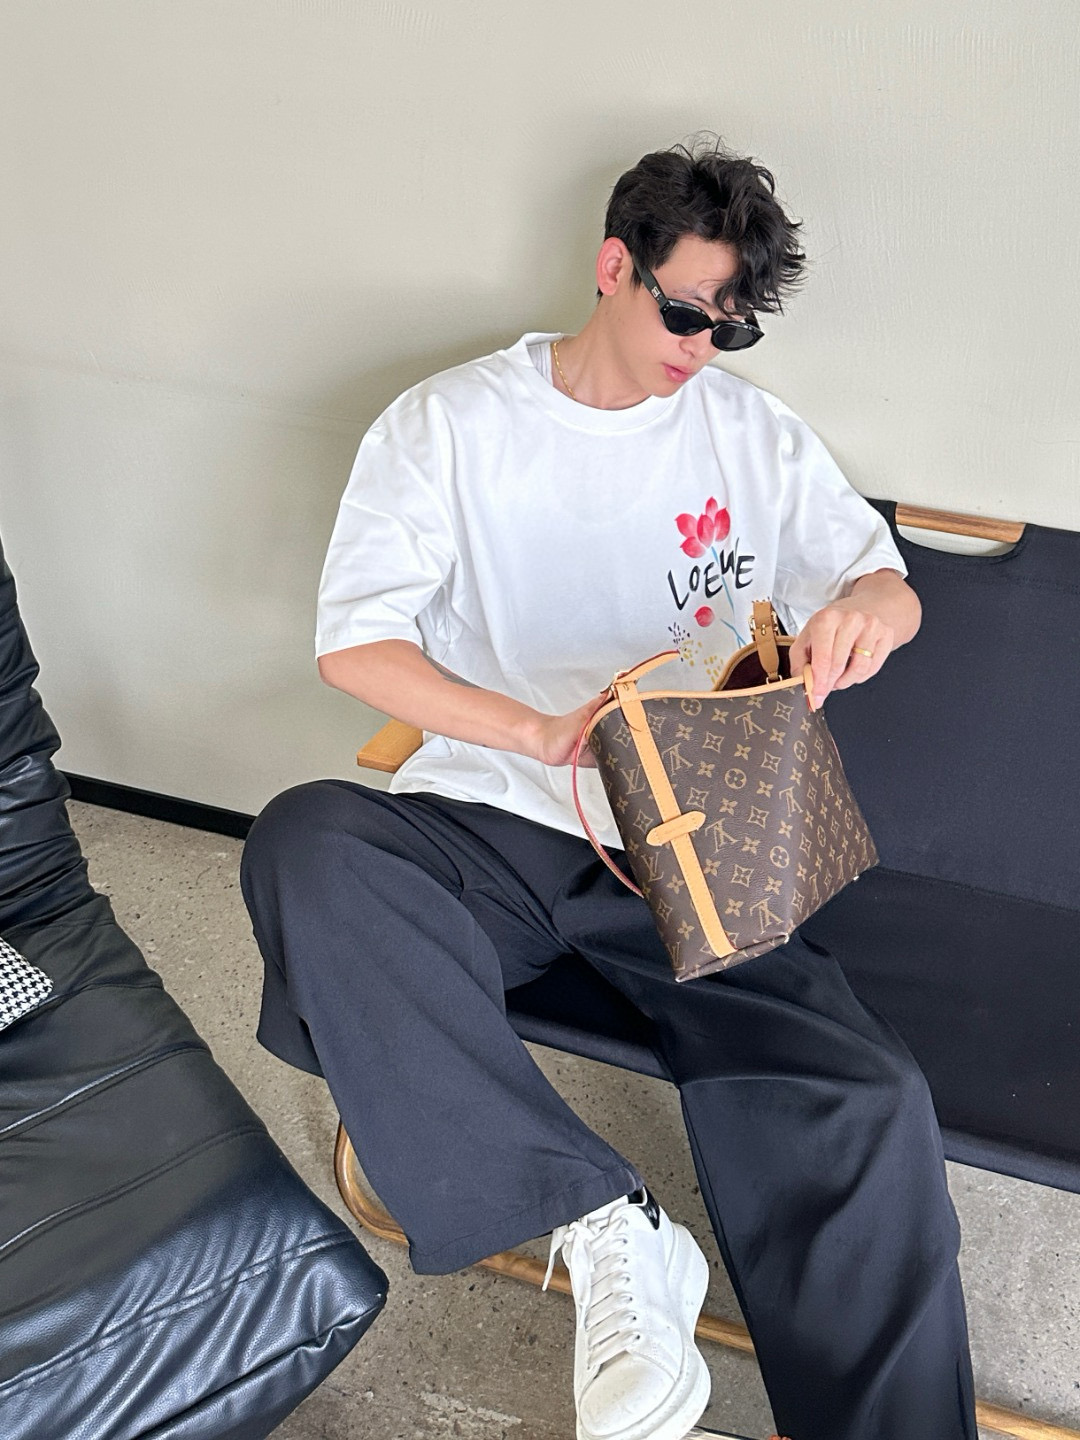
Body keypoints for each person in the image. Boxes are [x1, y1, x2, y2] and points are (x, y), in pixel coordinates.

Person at [240, 136, 978, 1440]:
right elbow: (357, 646)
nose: (703, 348)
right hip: (493, 819)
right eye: (686, 312)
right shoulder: (451, 425)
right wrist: (532, 729)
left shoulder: (749, 433)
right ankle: (599, 1218)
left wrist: (868, 610)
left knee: (861, 1097)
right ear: (613, 267)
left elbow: (883, 580)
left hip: (699, 846)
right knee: (309, 845)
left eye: (732, 328)